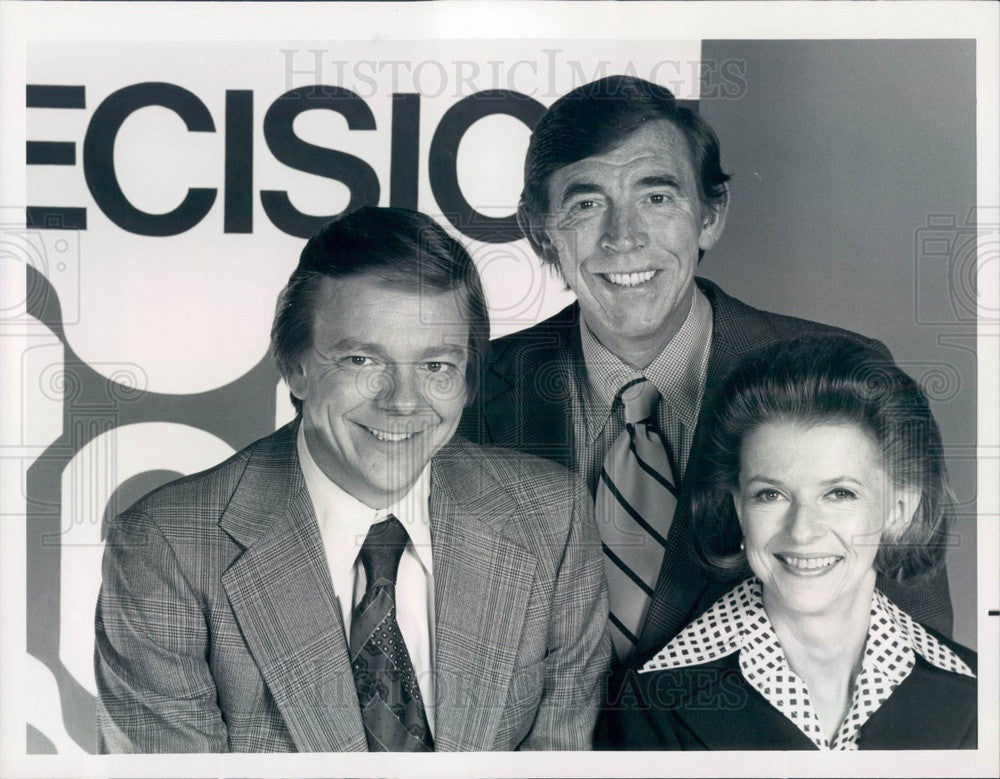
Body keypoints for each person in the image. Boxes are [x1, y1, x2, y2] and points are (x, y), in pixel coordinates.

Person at [456, 73, 954, 745]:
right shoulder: (467, 392)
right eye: (585, 204)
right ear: (542, 232)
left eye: (657, 196)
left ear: (711, 214)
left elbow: (912, 668)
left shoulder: (843, 378)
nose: (623, 236)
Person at [95, 206, 610, 753]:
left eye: (437, 366)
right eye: (363, 360)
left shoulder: (552, 520)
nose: (403, 401)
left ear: (467, 379)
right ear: (295, 366)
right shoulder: (165, 550)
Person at [616, 334, 976, 750]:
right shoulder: (650, 705)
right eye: (770, 494)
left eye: (840, 494)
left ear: (899, 509)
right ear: (738, 510)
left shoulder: (979, 698)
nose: (802, 531)